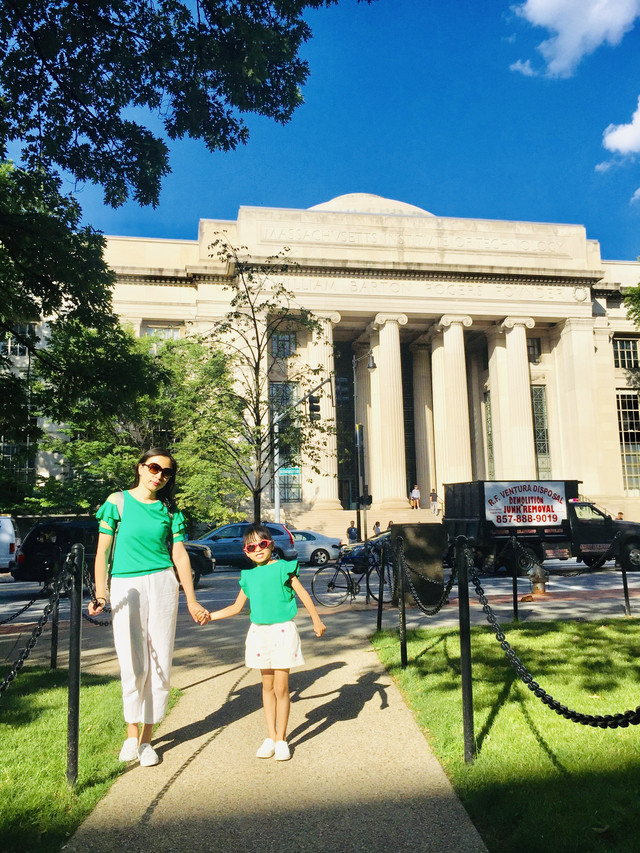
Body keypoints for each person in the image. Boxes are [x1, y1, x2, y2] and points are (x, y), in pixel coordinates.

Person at [88, 448, 210, 767]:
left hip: (162, 583)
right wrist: (101, 594)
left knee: (160, 662)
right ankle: (131, 734)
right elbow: (102, 553)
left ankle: (146, 740)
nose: (159, 476)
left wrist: (191, 599)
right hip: (126, 584)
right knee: (132, 661)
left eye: (167, 472)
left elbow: (179, 555)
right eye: (154, 468)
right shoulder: (117, 502)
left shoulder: (169, 510)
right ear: (141, 468)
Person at [207, 522, 326, 761]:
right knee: (267, 687)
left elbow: (303, 594)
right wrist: (209, 616)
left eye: (262, 544)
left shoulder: (283, 568)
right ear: (246, 552)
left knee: (282, 688)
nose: (258, 549)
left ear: (270, 545)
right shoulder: (249, 576)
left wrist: (316, 620)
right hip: (259, 634)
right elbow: (236, 607)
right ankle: (270, 736)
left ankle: (281, 739)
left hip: (283, 632)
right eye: (251, 547)